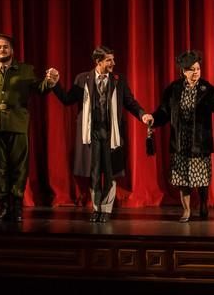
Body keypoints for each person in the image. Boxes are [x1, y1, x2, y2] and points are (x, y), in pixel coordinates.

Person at [52, 46, 153, 222]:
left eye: (113, 59)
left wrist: (142, 114)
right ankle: (97, 208)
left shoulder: (118, 80)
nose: (113, 63)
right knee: (95, 172)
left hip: (111, 133)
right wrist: (55, 84)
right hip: (91, 133)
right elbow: (67, 99)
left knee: (110, 171)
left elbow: (129, 102)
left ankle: (106, 209)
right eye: (109, 60)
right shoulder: (83, 79)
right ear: (98, 62)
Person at [0, 33, 58, 222]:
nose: (2, 50)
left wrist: (50, 82)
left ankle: (17, 207)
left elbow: (40, 89)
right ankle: (4, 206)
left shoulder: (25, 70)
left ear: (12, 50)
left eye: (5, 47)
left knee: (19, 168)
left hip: (18, 123)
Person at [151, 51, 214, 222]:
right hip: (180, 140)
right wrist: (153, 119)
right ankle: (187, 210)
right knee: (183, 178)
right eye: (191, 69)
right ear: (183, 72)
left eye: (198, 68)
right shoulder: (173, 89)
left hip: (199, 141)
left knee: (201, 177)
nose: (196, 72)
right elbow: (164, 112)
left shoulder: (207, 89)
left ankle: (203, 203)